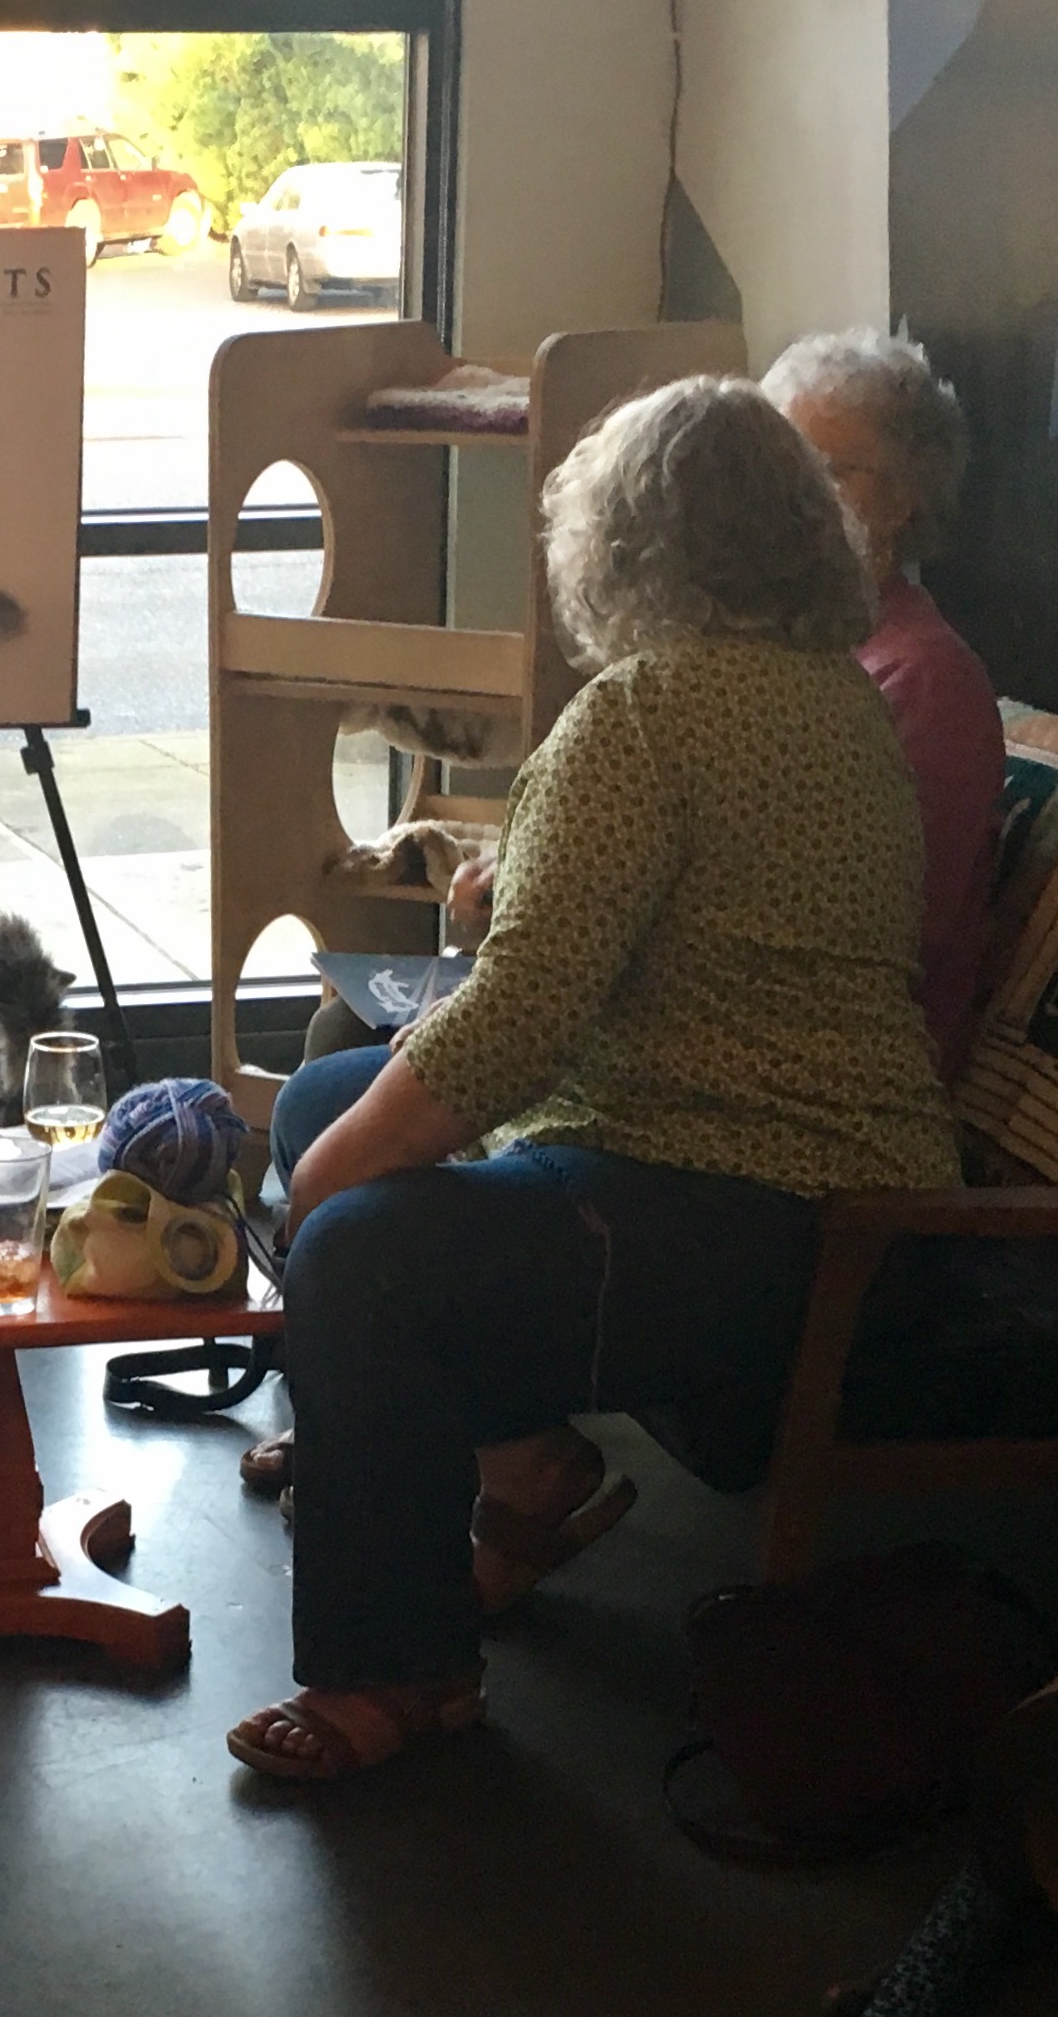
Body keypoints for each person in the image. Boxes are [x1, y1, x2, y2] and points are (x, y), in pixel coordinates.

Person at [225, 377, 959, 1781]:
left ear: (620, 545)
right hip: (833, 1203)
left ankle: (402, 1669)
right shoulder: (835, 699)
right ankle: (521, 1468)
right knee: (326, 1100)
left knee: (359, 1244)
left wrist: (321, 1189)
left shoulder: (640, 712)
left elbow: (519, 1018)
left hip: (756, 1217)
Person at [761, 327, 1004, 1080]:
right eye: (774, 469)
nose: (787, 503)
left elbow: (869, 940)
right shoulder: (785, 651)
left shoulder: (925, 682)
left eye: (824, 472)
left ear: (902, 499)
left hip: (836, 1078)